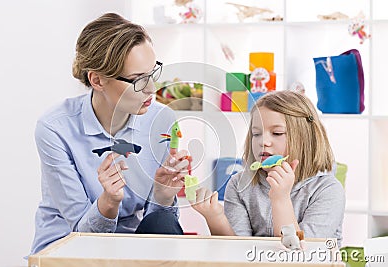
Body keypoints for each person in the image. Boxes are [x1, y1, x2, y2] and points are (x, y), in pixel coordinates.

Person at [30, 13, 190, 255]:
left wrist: (163, 196)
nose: (151, 89)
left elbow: (160, 227)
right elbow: (79, 234)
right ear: (97, 80)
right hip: (67, 247)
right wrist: (108, 202)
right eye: (138, 80)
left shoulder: (161, 119)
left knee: (164, 223)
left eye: (152, 73)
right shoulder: (55, 129)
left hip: (129, 249)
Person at [190, 90, 345, 247]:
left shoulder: (328, 190)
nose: (263, 141)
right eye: (256, 134)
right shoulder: (240, 185)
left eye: (277, 133)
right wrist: (215, 217)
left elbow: (299, 253)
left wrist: (281, 198)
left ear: (304, 137)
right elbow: (237, 251)